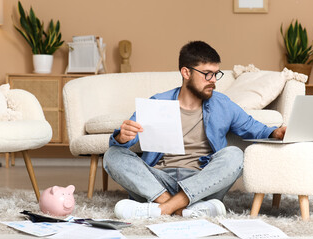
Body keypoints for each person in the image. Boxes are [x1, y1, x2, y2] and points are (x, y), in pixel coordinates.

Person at [103, 41, 286, 219]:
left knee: (235, 155)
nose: (213, 80)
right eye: (207, 74)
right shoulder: (158, 102)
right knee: (112, 155)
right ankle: (180, 208)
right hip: (159, 181)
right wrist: (121, 137)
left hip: (202, 180)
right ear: (186, 72)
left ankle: (162, 209)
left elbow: (254, 128)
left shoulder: (223, 104)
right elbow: (124, 141)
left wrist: (275, 132)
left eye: (216, 74)